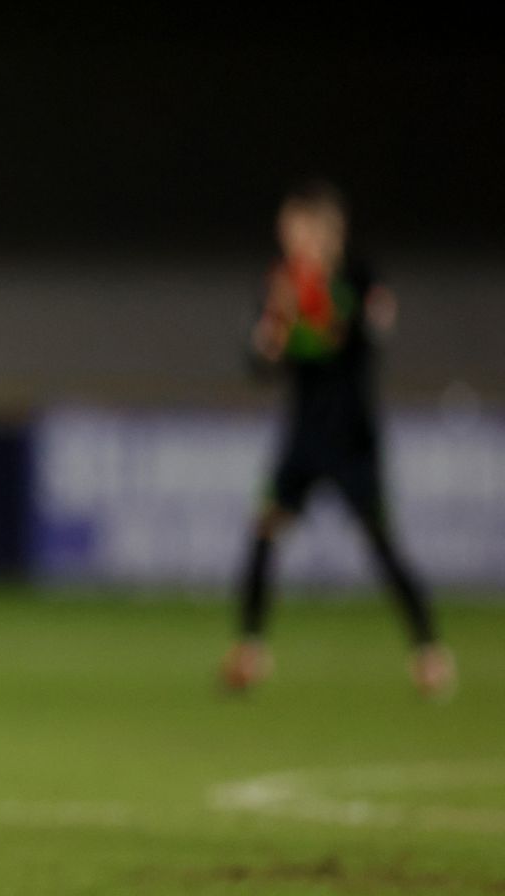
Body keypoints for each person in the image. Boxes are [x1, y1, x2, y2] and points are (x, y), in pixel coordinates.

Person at [221, 180, 455, 698]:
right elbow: (261, 364)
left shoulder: (360, 278)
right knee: (264, 532)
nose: (292, 237)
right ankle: (249, 651)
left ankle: (429, 651)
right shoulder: (280, 285)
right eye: (288, 229)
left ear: (330, 230)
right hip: (303, 435)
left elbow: (366, 336)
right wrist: (272, 333)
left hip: (351, 436)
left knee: (379, 541)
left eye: (301, 227)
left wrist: (319, 304)